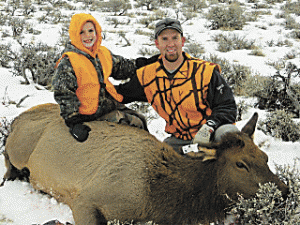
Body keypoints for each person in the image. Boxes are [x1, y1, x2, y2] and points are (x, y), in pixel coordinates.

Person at [116, 18, 237, 153]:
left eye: (175, 38)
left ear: (182, 41)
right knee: (157, 160)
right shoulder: (147, 76)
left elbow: (227, 106)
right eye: (165, 39)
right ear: (157, 43)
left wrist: (210, 126)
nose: (171, 44)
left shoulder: (204, 72)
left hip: (211, 135)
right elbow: (120, 94)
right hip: (180, 141)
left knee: (230, 133)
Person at [52, 13, 146, 142]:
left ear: (97, 31)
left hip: (106, 105)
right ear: (74, 34)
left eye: (91, 30)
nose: (87, 36)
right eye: (81, 32)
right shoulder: (69, 62)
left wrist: (142, 64)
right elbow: (64, 93)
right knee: (134, 123)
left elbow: (121, 68)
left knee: (141, 118)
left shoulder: (101, 53)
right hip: (89, 114)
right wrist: (73, 121)